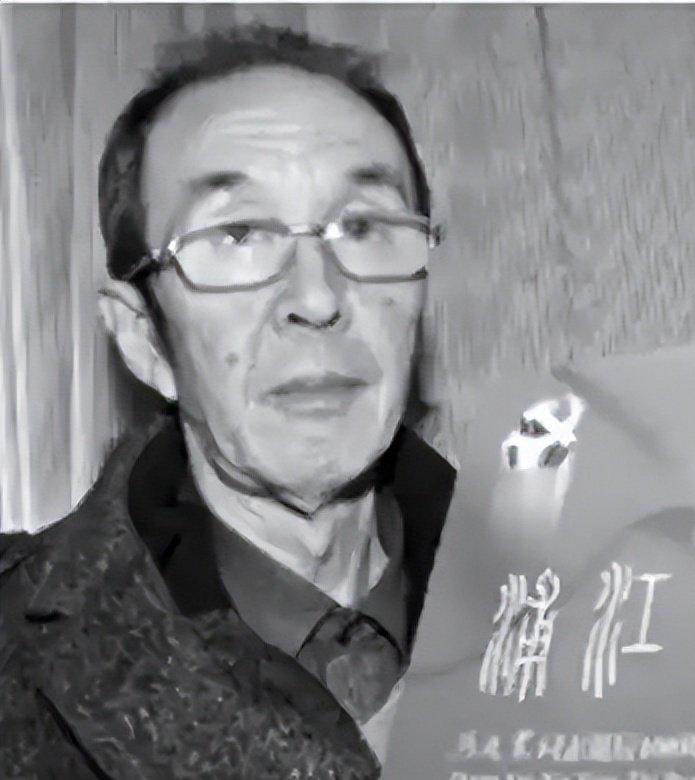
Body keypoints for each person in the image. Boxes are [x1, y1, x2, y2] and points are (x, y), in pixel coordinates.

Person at [0, 26, 455, 777]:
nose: (317, 297)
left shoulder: (604, 598)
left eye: (364, 226)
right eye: (239, 234)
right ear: (144, 337)